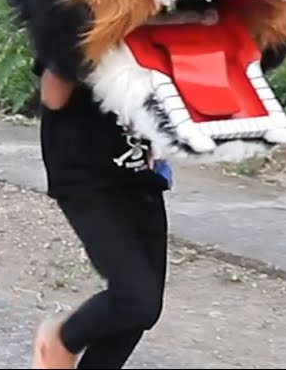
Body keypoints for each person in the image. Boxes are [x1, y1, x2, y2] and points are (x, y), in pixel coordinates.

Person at [30, 64, 173, 369]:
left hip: (139, 174)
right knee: (135, 297)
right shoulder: (76, 20)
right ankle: (60, 339)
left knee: (144, 310)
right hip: (86, 177)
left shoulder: (161, 21)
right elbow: (53, 96)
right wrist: (84, 48)